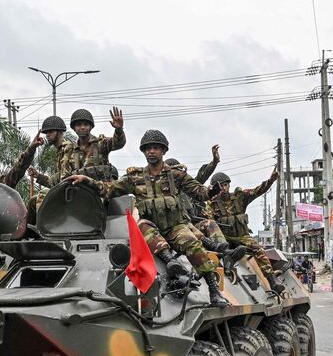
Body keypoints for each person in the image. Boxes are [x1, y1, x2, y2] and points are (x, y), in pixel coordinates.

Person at [68, 130, 244, 305]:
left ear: (163, 151)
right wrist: (87, 180)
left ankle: (214, 291)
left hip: (176, 227)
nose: (151, 151)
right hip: (152, 227)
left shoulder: (176, 176)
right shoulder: (135, 178)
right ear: (144, 152)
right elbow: (108, 189)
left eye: (156, 148)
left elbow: (199, 193)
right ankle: (171, 262)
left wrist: (211, 191)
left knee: (193, 245)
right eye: (148, 149)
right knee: (141, 224)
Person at [199, 166, 284, 293]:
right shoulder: (211, 204)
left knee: (257, 248)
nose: (223, 188)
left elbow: (257, 191)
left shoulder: (239, 197)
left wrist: (270, 181)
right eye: (220, 186)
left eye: (225, 185)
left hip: (242, 236)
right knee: (218, 246)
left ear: (229, 185)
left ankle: (272, 280)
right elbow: (209, 222)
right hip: (225, 239)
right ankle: (228, 258)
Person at [59, 107, 125, 181]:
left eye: (86, 124)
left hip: (101, 186)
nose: (82, 127)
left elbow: (118, 143)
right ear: (74, 128)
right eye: (78, 125)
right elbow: (65, 177)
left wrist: (119, 130)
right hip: (79, 187)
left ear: (91, 127)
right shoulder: (70, 151)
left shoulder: (101, 143)